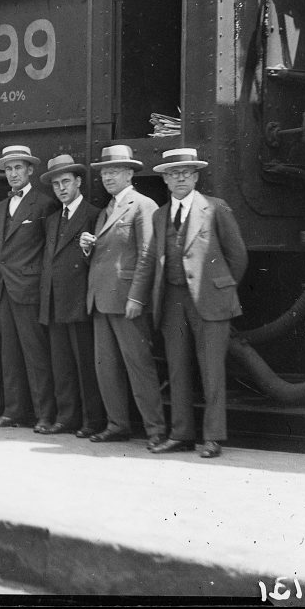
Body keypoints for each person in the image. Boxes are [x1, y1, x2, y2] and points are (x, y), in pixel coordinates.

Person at [130, 148, 248, 459]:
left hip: (210, 301)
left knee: (212, 372)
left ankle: (212, 438)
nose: (179, 178)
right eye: (173, 173)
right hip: (172, 301)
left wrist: (219, 287)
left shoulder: (216, 208)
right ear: (165, 180)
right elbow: (150, 259)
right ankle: (181, 434)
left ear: (195, 176)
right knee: (178, 370)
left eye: (186, 172)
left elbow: (238, 256)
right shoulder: (159, 215)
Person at [79, 145, 166, 448]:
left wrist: (138, 298)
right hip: (102, 300)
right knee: (107, 368)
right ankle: (118, 425)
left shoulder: (143, 205)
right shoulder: (107, 210)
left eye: (113, 171)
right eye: (104, 172)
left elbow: (147, 255)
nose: (107, 177)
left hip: (126, 301)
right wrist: (89, 248)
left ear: (130, 173)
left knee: (138, 366)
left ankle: (155, 430)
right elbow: (108, 257)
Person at [0, 145, 60, 433]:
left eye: (18, 168)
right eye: (9, 169)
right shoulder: (2, 206)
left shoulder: (43, 204)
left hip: (28, 289)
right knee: (10, 354)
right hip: (4, 288)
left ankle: (44, 415)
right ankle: (13, 411)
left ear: (30, 170)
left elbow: (48, 252)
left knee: (36, 355)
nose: (13, 174)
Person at [37, 154, 105, 437]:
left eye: (66, 181)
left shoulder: (93, 214)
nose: (62, 188)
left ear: (78, 182)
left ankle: (92, 421)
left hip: (78, 301)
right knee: (61, 364)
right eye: (56, 184)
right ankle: (66, 418)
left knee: (85, 365)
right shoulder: (52, 219)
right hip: (54, 301)